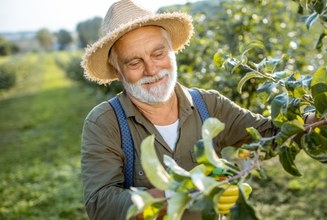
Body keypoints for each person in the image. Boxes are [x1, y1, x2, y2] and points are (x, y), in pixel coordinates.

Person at [80, 0, 278, 219]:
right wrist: (177, 191)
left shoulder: (210, 105)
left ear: (173, 52)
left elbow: (271, 134)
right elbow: (99, 205)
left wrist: (316, 120)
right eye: (134, 63)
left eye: (158, 54)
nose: (152, 69)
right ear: (118, 72)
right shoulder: (105, 123)